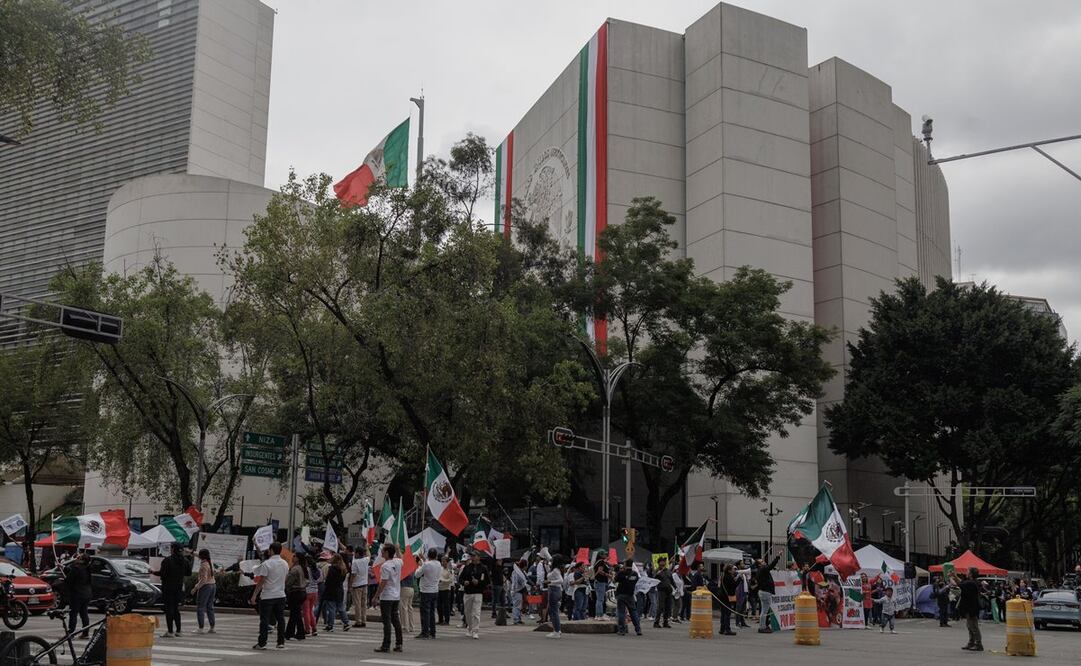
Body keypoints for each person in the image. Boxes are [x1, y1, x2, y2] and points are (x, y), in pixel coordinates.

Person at [251, 541, 289, 650]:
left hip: (267, 595)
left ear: (271, 550)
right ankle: (281, 642)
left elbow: (261, 580)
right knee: (280, 619)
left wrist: (254, 595)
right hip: (281, 595)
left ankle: (262, 643)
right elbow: (285, 579)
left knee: (264, 620)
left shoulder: (267, 563)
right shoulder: (285, 564)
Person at [374, 543, 404, 654]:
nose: (381, 553)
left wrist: (376, 596)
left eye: (383, 551)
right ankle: (399, 644)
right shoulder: (398, 562)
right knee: (395, 620)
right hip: (396, 595)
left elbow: (383, 583)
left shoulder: (385, 566)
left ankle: (386, 645)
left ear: (387, 553)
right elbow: (401, 558)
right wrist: (397, 548)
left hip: (387, 597)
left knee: (387, 622)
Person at [155, 543, 189, 638]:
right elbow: (189, 573)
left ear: (173, 549)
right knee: (176, 609)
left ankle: (170, 631)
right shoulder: (185, 560)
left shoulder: (167, 560)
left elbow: (162, 574)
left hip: (168, 587)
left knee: (169, 609)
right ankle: (178, 630)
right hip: (179, 587)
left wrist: (153, 572)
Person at [459, 550, 490, 639]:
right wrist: (464, 582)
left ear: (478, 557)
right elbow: (460, 579)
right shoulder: (467, 567)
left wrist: (479, 582)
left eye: (474, 556)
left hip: (478, 593)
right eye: (471, 556)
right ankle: (470, 628)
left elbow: (487, 581)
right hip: (468, 592)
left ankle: (475, 631)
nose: (472, 558)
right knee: (467, 612)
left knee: (476, 612)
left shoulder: (483, 568)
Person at [64, 553, 93, 639]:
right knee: (84, 613)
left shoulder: (76, 568)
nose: (77, 558)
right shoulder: (87, 568)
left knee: (73, 613)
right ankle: (85, 633)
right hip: (87, 593)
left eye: (79, 557)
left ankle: (71, 632)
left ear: (82, 560)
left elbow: (68, 580)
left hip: (77, 594)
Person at [322, 554, 350, 632]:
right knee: (341, 608)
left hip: (331, 590)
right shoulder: (343, 569)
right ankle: (346, 623)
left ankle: (330, 625)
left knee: (331, 609)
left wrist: (325, 587)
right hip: (339, 590)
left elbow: (328, 581)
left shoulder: (332, 569)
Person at [417, 549, 442, 639]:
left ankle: (425, 632)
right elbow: (429, 564)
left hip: (426, 590)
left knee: (425, 612)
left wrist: (420, 566)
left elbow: (417, 574)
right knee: (431, 612)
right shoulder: (438, 564)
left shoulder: (426, 564)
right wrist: (424, 560)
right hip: (435, 590)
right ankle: (432, 632)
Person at [191, 548, 216, 634]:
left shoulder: (203, 565)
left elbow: (203, 580)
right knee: (210, 607)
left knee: (200, 607)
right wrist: (191, 552)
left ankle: (201, 628)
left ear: (201, 557)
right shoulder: (210, 561)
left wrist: (195, 588)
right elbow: (200, 555)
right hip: (213, 585)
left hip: (205, 587)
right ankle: (212, 627)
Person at [284, 553, 309, 641]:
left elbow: (288, 582)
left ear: (298, 559)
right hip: (302, 592)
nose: (293, 557)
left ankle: (289, 633)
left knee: (294, 614)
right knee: (297, 613)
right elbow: (307, 581)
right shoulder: (303, 568)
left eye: (294, 556)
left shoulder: (295, 569)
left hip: (295, 592)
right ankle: (300, 633)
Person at [614, 559, 642, 636]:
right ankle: (638, 629)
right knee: (633, 612)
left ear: (625, 564)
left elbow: (615, 579)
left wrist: (621, 571)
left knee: (621, 612)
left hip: (621, 594)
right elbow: (636, 581)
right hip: (630, 595)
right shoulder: (635, 574)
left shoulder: (621, 573)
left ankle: (622, 630)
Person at [957, 568, 983, 651]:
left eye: (967, 572)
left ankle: (978, 644)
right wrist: (954, 576)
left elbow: (959, 584)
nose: (966, 573)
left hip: (972, 607)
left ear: (971, 574)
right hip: (970, 607)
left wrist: (951, 577)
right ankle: (971, 642)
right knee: (970, 626)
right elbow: (962, 583)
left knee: (973, 626)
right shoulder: (972, 582)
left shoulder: (971, 583)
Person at [755, 554, 780, 633]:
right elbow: (770, 566)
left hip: (764, 591)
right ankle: (762, 627)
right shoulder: (762, 569)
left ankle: (763, 626)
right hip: (765, 592)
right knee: (764, 611)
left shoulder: (761, 570)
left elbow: (769, 568)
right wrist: (777, 556)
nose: (764, 562)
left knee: (764, 611)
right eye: (762, 561)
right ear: (759, 564)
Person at [546, 556, 565, 639]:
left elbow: (561, 580)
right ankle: (557, 630)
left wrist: (551, 582)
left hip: (554, 590)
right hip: (555, 590)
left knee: (554, 612)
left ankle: (556, 631)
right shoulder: (556, 569)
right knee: (553, 611)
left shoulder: (555, 570)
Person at [350, 545, 369, 628]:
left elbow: (353, 575)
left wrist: (350, 584)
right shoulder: (366, 560)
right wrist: (367, 546)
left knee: (357, 604)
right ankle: (364, 620)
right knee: (363, 604)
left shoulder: (355, 562)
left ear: (357, 553)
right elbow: (369, 554)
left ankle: (358, 621)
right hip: (365, 584)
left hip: (357, 585)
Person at [302, 553, 321, 637]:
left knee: (306, 611)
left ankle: (307, 629)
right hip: (315, 591)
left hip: (307, 591)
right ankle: (314, 628)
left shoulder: (306, 569)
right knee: (310, 611)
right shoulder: (316, 569)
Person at [653, 557, 674, 628]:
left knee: (668, 607)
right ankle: (656, 622)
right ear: (658, 563)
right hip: (661, 590)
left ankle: (665, 622)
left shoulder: (668, 571)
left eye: (664, 561)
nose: (663, 563)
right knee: (660, 607)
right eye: (661, 561)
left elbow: (671, 580)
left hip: (668, 590)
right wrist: (657, 574)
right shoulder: (657, 570)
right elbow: (653, 579)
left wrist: (676, 588)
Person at [719, 564, 737, 635]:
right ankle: (727, 629)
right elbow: (734, 586)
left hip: (722, 596)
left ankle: (722, 629)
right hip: (726, 597)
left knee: (723, 613)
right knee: (727, 613)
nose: (734, 570)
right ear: (729, 570)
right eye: (733, 569)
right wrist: (739, 579)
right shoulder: (729, 577)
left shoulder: (723, 576)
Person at [509, 558, 528, 625]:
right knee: (516, 606)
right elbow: (517, 582)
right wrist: (524, 582)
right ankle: (516, 619)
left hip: (519, 591)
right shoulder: (516, 572)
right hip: (516, 591)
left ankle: (518, 619)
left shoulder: (521, 572)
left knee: (519, 606)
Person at [400, 560, 417, 634]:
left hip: (405, 588)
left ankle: (404, 627)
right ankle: (411, 626)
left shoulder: (405, 570)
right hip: (411, 588)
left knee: (404, 608)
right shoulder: (412, 569)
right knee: (410, 607)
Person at [593, 553, 611, 617]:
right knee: (600, 599)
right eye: (605, 554)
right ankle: (599, 615)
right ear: (601, 555)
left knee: (600, 599)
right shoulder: (600, 562)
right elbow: (600, 571)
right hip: (600, 582)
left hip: (600, 582)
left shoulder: (600, 562)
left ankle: (600, 614)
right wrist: (608, 575)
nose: (606, 555)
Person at [437, 556, 454, 625]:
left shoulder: (450, 570)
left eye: (444, 561)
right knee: (439, 606)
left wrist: (443, 580)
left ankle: (447, 621)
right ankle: (440, 620)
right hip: (439, 589)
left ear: (447, 562)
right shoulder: (440, 569)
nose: (442, 563)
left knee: (446, 606)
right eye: (442, 561)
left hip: (446, 589)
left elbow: (450, 580)